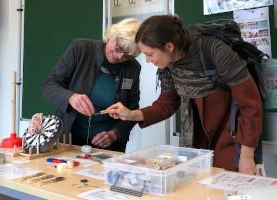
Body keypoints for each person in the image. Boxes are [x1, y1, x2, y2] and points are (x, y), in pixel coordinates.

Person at [105, 15, 263, 174]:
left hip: (232, 129)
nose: (147, 60)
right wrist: (131, 114)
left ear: (169, 46)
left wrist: (247, 156)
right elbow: (167, 104)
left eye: (150, 54)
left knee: (230, 183)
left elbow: (250, 105)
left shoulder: (215, 51)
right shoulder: (166, 64)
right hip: (196, 131)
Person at [42, 18, 141, 152]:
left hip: (107, 148)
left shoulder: (132, 68)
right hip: (67, 141)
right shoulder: (80, 49)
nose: (119, 56)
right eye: (118, 48)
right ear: (112, 36)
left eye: (127, 56)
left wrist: (114, 134)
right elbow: (49, 85)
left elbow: (132, 110)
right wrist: (71, 97)